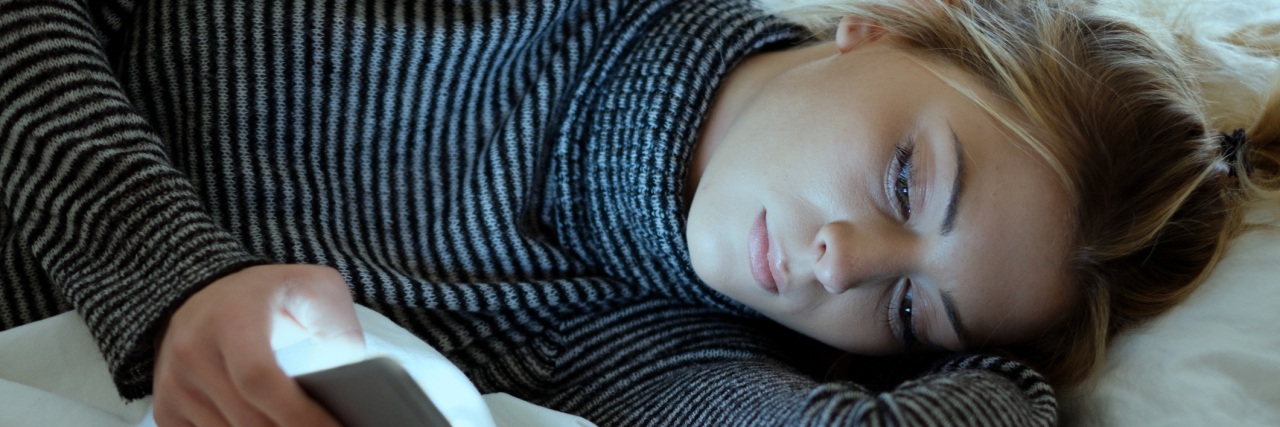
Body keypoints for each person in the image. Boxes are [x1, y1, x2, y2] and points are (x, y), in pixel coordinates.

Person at [0, 0, 1275, 426]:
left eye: (908, 304)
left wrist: (1009, 373)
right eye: (904, 181)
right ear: (879, 30)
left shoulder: (662, 357)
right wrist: (170, 279)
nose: (837, 259)